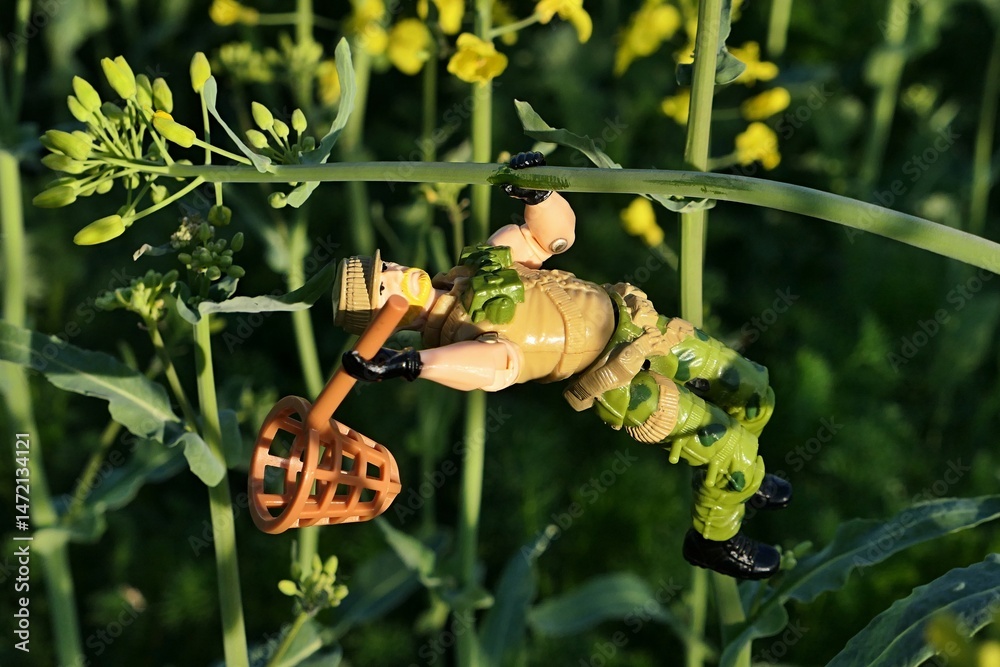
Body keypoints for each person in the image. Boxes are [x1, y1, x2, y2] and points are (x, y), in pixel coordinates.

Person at [333, 152, 791, 579]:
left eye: (387, 265)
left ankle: (739, 482)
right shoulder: (462, 336)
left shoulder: (481, 268)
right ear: (384, 321)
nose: (395, 273)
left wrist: (539, 195)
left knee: (751, 390)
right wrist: (412, 364)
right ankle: (713, 537)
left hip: (640, 322)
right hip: (619, 377)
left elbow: (552, 237)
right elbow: (497, 367)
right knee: (728, 448)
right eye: (382, 286)